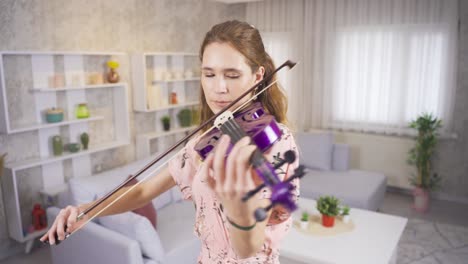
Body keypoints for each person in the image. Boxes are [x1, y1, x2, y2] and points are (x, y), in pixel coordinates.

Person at [40, 20, 300, 263]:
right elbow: (143, 191)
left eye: (232, 75)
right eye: (209, 74)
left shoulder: (276, 143)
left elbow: (248, 249)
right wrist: (86, 212)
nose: (218, 88)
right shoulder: (203, 142)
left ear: (257, 77)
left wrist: (240, 210)